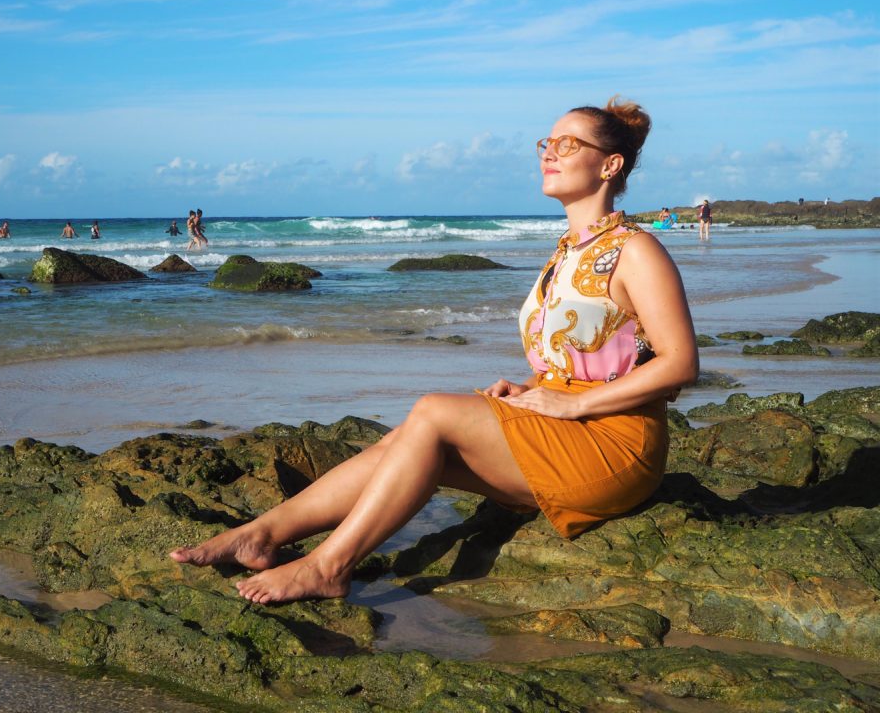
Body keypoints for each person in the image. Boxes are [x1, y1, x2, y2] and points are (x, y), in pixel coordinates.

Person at [170, 96, 698, 605]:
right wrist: (533, 388)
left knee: (432, 412)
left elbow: (680, 363)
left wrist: (573, 403)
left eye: (567, 143)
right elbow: (583, 359)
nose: (549, 153)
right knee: (404, 442)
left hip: (614, 446)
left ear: (609, 165)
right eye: (546, 142)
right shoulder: (565, 254)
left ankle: (328, 567)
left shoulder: (636, 249)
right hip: (565, 425)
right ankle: (261, 534)